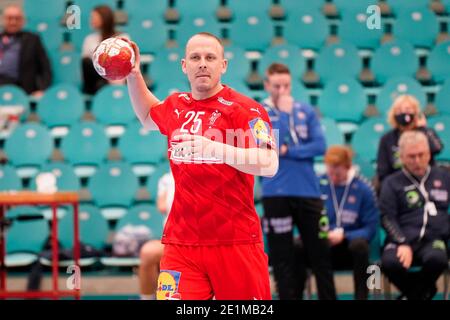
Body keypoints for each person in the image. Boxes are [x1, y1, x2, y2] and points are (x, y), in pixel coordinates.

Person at [124, 32, 279, 300]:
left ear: (224, 65)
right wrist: (133, 74)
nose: (203, 63)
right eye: (195, 57)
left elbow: (269, 163)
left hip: (235, 240)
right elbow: (148, 115)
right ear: (184, 65)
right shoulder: (176, 106)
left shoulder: (247, 109)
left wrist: (215, 148)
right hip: (181, 243)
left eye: (210, 57)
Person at [260, 63, 336, 300]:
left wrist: (288, 150)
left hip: (308, 192)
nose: (282, 91)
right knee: (282, 259)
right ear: (266, 85)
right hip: (275, 193)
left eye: (286, 85)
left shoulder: (305, 110)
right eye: (276, 86)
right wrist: (282, 115)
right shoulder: (259, 113)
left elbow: (320, 146)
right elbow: (268, 148)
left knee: (320, 256)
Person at [380, 131, 449, 300]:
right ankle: (423, 292)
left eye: (421, 155)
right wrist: (402, 242)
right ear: (401, 157)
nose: (417, 161)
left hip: (433, 240)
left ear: (428, 154)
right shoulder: (391, 182)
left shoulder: (444, 177)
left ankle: (411, 296)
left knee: (438, 259)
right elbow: (386, 217)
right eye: (411, 156)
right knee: (390, 263)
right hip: (401, 239)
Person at [320, 145, 379, 300]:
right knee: (304, 246)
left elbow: (371, 228)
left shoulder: (364, 189)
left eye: (337, 174)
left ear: (348, 167)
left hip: (351, 248)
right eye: (330, 172)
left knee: (360, 246)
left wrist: (345, 235)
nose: (333, 177)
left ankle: (361, 297)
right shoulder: (320, 185)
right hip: (327, 245)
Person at [376, 95, 443, 184]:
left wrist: (423, 129)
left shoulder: (425, 132)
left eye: (407, 110)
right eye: (399, 110)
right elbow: (382, 172)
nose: (403, 113)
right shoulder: (387, 139)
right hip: (397, 185)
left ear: (416, 112)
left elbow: (437, 148)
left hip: (425, 182)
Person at [0, 4, 52, 96]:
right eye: (9, 18)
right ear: (3, 19)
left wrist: (43, 89)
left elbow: (45, 67)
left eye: (17, 18)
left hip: (22, 88)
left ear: (23, 21)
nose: (13, 22)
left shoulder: (33, 39)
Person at [139, 171, 174, 300]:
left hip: (204, 240)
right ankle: (146, 298)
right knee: (148, 252)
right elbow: (162, 206)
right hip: (173, 240)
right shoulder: (167, 179)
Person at [81, 5, 127, 94]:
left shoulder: (122, 38)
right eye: (91, 17)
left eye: (95, 17)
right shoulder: (89, 39)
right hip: (96, 81)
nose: (92, 20)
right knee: (86, 62)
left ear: (105, 18)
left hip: (118, 78)